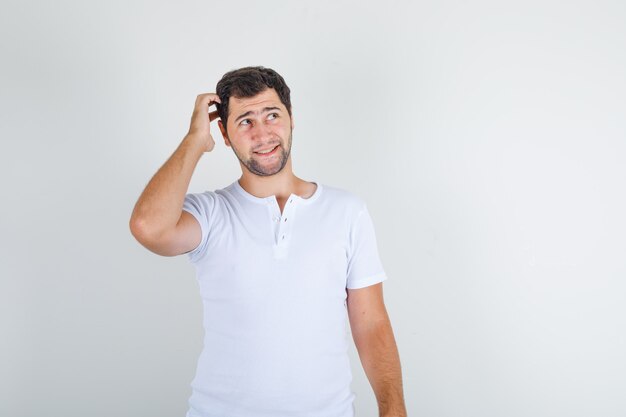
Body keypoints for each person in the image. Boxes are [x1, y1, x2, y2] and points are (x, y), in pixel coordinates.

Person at [129, 66, 407, 417]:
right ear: (225, 135)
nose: (262, 134)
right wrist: (195, 141)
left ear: (291, 119)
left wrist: (393, 410)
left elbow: (371, 323)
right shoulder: (210, 213)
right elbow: (147, 227)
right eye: (245, 121)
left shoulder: (347, 211)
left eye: (272, 115)